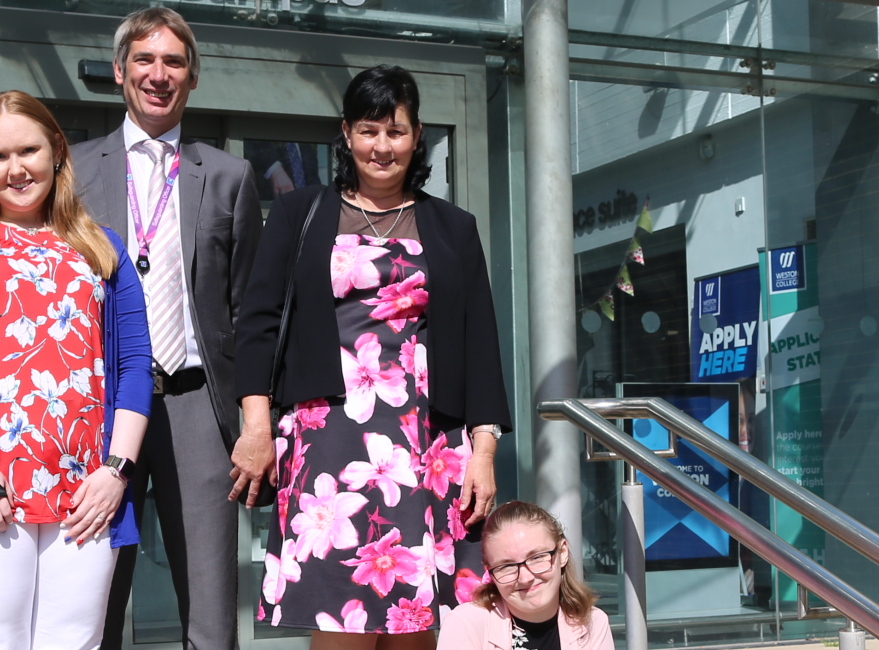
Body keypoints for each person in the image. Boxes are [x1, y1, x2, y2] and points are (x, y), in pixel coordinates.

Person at [232, 64, 510, 649]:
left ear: (416, 139)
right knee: (344, 615)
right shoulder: (298, 215)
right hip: (328, 437)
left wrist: (482, 451)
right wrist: (256, 427)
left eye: (397, 131)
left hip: (427, 442)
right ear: (346, 134)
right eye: (368, 130)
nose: (382, 146)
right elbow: (256, 325)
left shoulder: (454, 227)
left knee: (415, 619)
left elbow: (480, 341)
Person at [0, 90, 155, 650]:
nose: (16, 169)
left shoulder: (101, 249)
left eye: (28, 150)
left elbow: (137, 365)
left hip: (86, 494)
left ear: (56, 150)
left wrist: (115, 472)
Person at [72, 8, 261, 650]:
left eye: (174, 62)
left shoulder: (229, 176)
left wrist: (254, 422)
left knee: (210, 610)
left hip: (195, 406)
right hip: (99, 409)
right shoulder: (72, 171)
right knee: (92, 601)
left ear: (193, 77)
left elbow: (249, 311)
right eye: (145, 60)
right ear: (121, 71)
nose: (159, 75)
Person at [437, 502, 612, 650]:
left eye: (536, 558)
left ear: (563, 552)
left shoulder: (593, 623)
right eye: (507, 566)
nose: (525, 578)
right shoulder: (466, 625)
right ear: (489, 570)